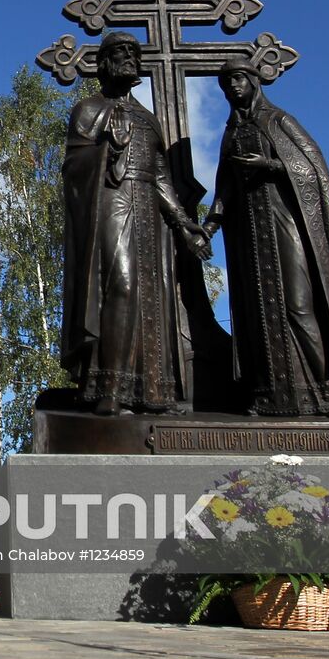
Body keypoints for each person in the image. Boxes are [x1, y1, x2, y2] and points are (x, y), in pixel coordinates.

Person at [60, 31, 212, 415]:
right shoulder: (88, 111)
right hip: (110, 202)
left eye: (133, 53)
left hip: (148, 213)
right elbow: (73, 169)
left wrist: (181, 222)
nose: (129, 59)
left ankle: (152, 393)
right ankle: (109, 388)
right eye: (120, 53)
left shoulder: (148, 119)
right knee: (121, 286)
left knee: (152, 293)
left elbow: (160, 174)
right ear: (104, 64)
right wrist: (106, 148)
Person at [203, 59, 329, 417]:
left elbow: (312, 169)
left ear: (255, 81)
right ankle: (268, 394)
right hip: (249, 234)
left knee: (299, 304)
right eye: (226, 83)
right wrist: (210, 225)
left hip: (286, 225)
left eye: (238, 79)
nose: (232, 88)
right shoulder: (232, 133)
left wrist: (272, 166)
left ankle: (328, 386)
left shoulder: (279, 121)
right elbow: (224, 186)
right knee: (257, 309)